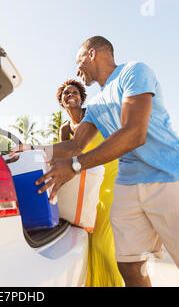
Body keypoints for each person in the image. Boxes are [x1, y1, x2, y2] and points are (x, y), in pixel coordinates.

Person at [10, 36, 179, 287]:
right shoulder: (95, 105)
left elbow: (134, 133)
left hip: (168, 176)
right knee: (129, 265)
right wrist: (32, 148)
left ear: (92, 54)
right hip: (127, 186)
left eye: (78, 61)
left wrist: (74, 166)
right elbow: (74, 145)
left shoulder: (134, 72)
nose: (76, 70)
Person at [57, 78, 124, 287]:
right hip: (87, 183)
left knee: (104, 241)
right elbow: (64, 156)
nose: (70, 96)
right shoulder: (65, 129)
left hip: (110, 176)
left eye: (74, 92)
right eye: (66, 94)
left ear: (81, 97)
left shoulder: (92, 115)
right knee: (89, 240)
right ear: (61, 101)